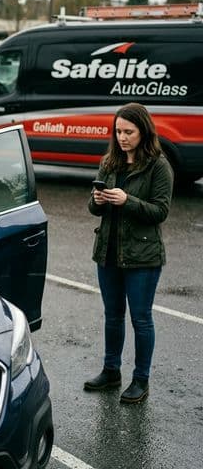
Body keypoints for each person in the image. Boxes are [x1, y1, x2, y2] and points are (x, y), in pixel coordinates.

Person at [84, 103, 173, 404]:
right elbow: (94, 209)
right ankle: (111, 371)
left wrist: (128, 200)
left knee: (141, 318)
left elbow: (160, 211)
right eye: (118, 131)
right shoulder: (110, 162)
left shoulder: (158, 165)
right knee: (112, 316)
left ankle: (141, 379)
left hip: (143, 257)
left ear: (143, 131)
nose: (122, 137)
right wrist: (97, 199)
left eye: (129, 132)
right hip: (108, 252)